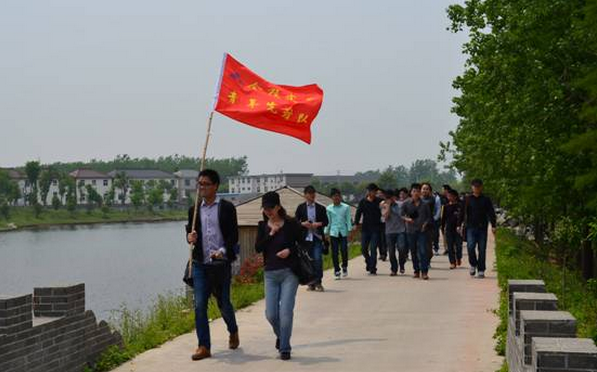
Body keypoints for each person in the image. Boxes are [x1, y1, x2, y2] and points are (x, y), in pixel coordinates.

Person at [186, 169, 239, 361]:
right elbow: (190, 235)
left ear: (215, 186)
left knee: (223, 303)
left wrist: (222, 252)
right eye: (199, 183)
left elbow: (233, 236)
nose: (201, 187)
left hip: (220, 264)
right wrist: (189, 237)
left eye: (206, 184)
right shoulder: (194, 210)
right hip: (201, 263)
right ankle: (204, 346)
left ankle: (233, 330)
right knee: (200, 305)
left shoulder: (226, 208)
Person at [255, 191, 303, 360]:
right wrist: (271, 234)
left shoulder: (291, 224)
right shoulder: (262, 226)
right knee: (271, 314)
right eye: (265, 208)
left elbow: (304, 243)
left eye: (270, 208)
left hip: (289, 273)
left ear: (278, 207)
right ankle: (281, 336)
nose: (267, 211)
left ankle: (285, 348)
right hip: (270, 275)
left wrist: (290, 250)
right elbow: (258, 248)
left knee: (285, 313)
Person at [458, 179, 497, 279]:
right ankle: (473, 264)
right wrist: (459, 224)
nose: (476, 188)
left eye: (478, 186)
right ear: (472, 187)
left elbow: (491, 213)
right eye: (475, 186)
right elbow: (462, 213)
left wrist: (493, 225)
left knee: (482, 249)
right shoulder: (467, 199)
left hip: (482, 227)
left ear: (481, 187)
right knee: (470, 247)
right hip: (470, 227)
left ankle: (481, 269)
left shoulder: (486, 199)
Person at [295, 185, 329, 292]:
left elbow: (326, 222)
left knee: (318, 259)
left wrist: (317, 224)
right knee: (308, 261)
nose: (312, 196)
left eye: (313, 193)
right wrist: (303, 224)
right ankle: (311, 283)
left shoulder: (321, 208)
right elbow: (295, 222)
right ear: (305, 195)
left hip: (317, 237)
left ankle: (318, 282)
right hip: (305, 238)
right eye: (309, 194)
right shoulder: (300, 208)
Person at [402, 183, 433, 280]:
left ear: (420, 193)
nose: (416, 193)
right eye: (414, 191)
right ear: (411, 192)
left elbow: (429, 217)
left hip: (422, 231)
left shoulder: (425, 204)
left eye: (418, 191)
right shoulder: (406, 203)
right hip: (411, 231)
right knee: (413, 251)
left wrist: (425, 224)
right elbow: (401, 215)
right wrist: (407, 219)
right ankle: (416, 271)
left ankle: (424, 272)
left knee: (423, 251)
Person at [354, 183, 383, 275]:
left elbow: (385, 209)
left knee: (373, 248)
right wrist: (356, 223)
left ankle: (373, 268)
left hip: (376, 228)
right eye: (370, 191)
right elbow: (358, 213)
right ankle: (368, 260)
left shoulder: (379, 201)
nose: (372, 193)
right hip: (365, 228)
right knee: (363, 249)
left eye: (374, 191)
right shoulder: (363, 202)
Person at [325, 188, 353, 279]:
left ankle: (344, 266)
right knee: (334, 252)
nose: (336, 198)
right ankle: (337, 270)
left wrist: (350, 231)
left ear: (340, 197)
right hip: (334, 233)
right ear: (331, 197)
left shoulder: (346, 207)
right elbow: (328, 221)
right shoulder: (329, 208)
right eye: (334, 196)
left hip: (343, 232)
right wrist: (326, 232)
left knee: (344, 250)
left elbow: (348, 220)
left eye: (338, 196)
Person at [382, 189, 408, 275]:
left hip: (400, 230)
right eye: (387, 198)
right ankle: (394, 269)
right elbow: (385, 217)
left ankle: (402, 264)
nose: (389, 199)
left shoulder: (401, 204)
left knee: (401, 248)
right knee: (391, 252)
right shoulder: (383, 205)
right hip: (389, 232)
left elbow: (403, 215)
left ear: (394, 197)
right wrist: (388, 206)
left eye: (390, 197)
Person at [441, 188, 463, 269]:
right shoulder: (445, 207)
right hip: (449, 229)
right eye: (448, 196)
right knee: (449, 246)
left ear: (455, 197)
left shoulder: (460, 206)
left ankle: (459, 257)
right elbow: (443, 219)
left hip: (458, 229)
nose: (449, 197)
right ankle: (452, 262)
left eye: (451, 196)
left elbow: (463, 217)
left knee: (458, 245)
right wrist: (442, 228)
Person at [421, 183, 441, 259]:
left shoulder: (434, 199)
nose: (425, 190)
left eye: (427, 189)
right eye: (423, 188)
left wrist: (434, 219)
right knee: (420, 244)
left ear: (430, 190)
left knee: (428, 244)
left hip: (430, 225)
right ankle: (422, 261)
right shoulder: (417, 199)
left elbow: (438, 210)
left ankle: (428, 258)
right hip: (419, 224)